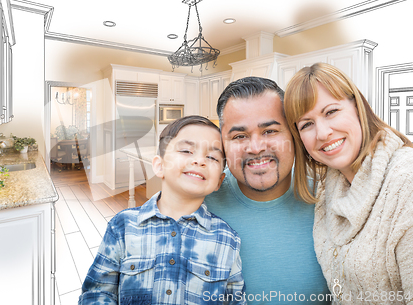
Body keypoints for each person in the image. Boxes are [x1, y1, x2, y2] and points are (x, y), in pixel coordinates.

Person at [79, 115, 247, 305]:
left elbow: (235, 301)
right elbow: (97, 292)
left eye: (211, 157)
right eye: (186, 150)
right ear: (159, 166)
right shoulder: (123, 226)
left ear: (219, 181)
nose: (200, 161)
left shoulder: (227, 238)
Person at [284, 62, 413, 304]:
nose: (322, 133)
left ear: (357, 106)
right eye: (306, 124)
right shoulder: (327, 189)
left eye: (331, 111)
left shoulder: (406, 183)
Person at [205, 77, 331, 304]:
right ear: (222, 143)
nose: (256, 148)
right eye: (239, 136)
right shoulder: (198, 204)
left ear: (293, 135)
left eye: (270, 131)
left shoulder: (329, 199)